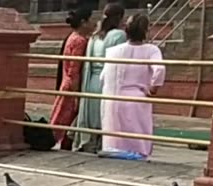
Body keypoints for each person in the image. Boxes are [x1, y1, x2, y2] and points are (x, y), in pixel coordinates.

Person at [100, 13, 166, 159]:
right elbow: (159, 69)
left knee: (116, 138)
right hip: (137, 97)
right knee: (138, 137)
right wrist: (153, 88)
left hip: (114, 98)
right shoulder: (151, 50)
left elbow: (103, 77)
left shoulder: (114, 51)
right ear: (146, 31)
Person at [73, 2, 126, 153]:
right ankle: (105, 144)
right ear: (120, 18)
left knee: (93, 114)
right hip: (107, 80)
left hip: (91, 80)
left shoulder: (95, 36)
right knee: (105, 116)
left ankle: (91, 143)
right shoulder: (119, 35)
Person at [48, 8, 95, 150]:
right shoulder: (79, 40)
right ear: (83, 22)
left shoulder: (72, 37)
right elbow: (74, 67)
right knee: (66, 116)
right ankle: (59, 140)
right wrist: (76, 92)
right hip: (72, 84)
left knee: (62, 115)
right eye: (90, 20)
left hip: (67, 82)